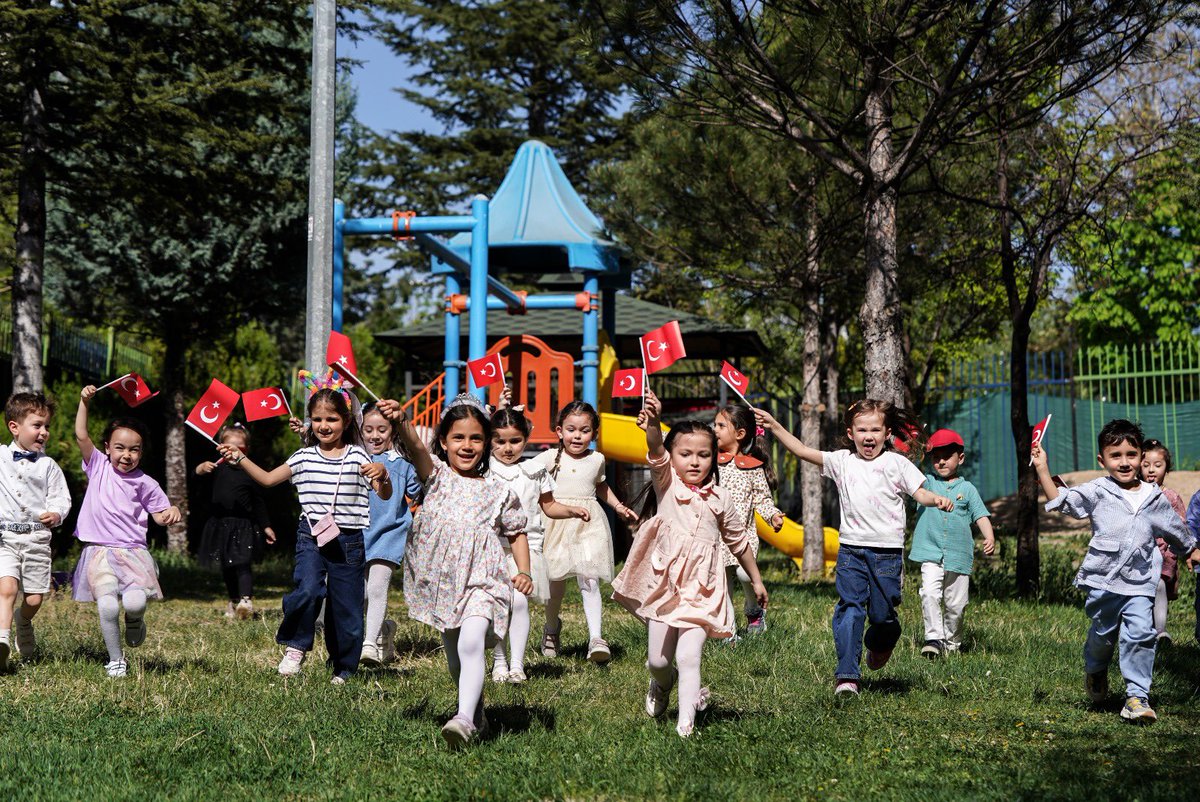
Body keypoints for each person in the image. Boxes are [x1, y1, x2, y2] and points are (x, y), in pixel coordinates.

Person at [755, 399, 953, 696]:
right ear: (851, 433)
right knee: (850, 609)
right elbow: (802, 451)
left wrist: (935, 500)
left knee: (884, 618)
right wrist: (775, 426)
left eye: (875, 429)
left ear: (887, 433)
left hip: (886, 555)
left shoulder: (898, 463)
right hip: (851, 552)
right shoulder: (842, 461)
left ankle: (882, 640)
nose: (868, 436)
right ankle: (847, 676)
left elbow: (920, 492)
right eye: (862, 430)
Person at [378, 394, 532, 749]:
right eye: (459, 438)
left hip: (484, 581)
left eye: (476, 438)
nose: (467, 446)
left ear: (488, 443)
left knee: (472, 640)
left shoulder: (498, 490)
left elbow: (516, 530)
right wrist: (402, 420)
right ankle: (476, 711)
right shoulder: (436, 475)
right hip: (444, 583)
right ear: (444, 442)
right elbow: (415, 445)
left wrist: (523, 570)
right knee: (456, 661)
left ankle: (462, 720)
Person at [613, 390, 768, 737]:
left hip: (703, 588)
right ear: (672, 456)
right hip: (665, 586)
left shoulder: (721, 498)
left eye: (703, 455)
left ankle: (686, 723)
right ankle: (661, 684)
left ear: (715, 457)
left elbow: (738, 542)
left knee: (689, 656)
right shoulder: (666, 484)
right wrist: (653, 424)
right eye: (685, 454)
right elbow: (654, 449)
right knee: (659, 661)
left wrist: (756, 581)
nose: (694, 462)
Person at [219, 374, 391, 684]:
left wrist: (383, 474)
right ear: (310, 421)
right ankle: (296, 646)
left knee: (346, 608)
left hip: (349, 540)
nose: (324, 425)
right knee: (308, 589)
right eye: (317, 419)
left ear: (346, 419)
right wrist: (241, 458)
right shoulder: (303, 457)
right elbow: (270, 479)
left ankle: (343, 667)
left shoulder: (357, 456)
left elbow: (383, 493)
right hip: (311, 536)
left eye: (332, 419)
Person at [1033, 420, 1199, 723]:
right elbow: (1063, 502)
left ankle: (1137, 697)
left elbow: (1175, 527)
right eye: (1116, 455)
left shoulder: (1153, 497)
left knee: (1141, 635)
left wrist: (1191, 549)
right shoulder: (1098, 490)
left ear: (1141, 457)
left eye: (1131, 454)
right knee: (1103, 636)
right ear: (1102, 460)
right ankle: (1095, 668)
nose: (1124, 462)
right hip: (1104, 581)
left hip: (1140, 582)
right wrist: (1042, 468)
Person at [73, 385, 182, 678]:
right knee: (107, 605)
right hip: (99, 553)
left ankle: (135, 620)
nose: (126, 455)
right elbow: (81, 435)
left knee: (134, 602)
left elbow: (160, 514)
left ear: (142, 452)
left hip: (132, 553)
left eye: (134, 449)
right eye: (119, 447)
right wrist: (85, 402)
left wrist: (171, 513)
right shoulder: (97, 466)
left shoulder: (146, 482)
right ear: (107, 447)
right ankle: (116, 659)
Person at [489, 396, 589, 683]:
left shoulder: (534, 470)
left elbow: (548, 505)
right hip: (493, 547)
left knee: (519, 602)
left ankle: (517, 665)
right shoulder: (485, 471)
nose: (508, 448)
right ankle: (499, 660)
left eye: (515, 441)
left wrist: (569, 510)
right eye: (500, 442)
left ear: (526, 438)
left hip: (527, 548)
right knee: (498, 604)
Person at [530, 401, 638, 665]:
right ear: (559, 431)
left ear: (594, 434)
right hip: (556, 523)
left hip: (589, 525)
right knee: (555, 585)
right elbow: (522, 473)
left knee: (589, 579)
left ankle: (596, 638)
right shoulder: (548, 459)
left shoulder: (597, 459)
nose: (577, 436)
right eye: (571, 429)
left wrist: (619, 506)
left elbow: (600, 487)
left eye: (584, 430)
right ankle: (552, 628)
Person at [907, 428, 995, 658]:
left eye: (947, 456)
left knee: (957, 605)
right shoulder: (926, 483)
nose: (941, 461)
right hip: (931, 551)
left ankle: (952, 644)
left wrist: (989, 536)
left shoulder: (968, 489)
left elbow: (980, 516)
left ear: (961, 458)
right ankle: (933, 639)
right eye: (936, 457)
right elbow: (908, 478)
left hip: (958, 555)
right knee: (929, 593)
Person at [0, 392, 71, 668]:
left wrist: (56, 513)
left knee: (33, 598)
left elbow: (61, 498)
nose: (44, 432)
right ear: (14, 427)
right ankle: (2, 640)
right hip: (5, 537)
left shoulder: (48, 466)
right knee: (6, 588)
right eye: (37, 425)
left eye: (47, 426)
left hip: (36, 540)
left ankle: (24, 619)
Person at [358, 403, 423, 666]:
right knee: (359, 595)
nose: (375, 435)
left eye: (382, 429)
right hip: (359, 534)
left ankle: (369, 644)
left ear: (392, 432)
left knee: (376, 588)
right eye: (368, 429)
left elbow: (417, 489)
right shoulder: (354, 458)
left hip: (390, 533)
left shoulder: (402, 464)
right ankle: (384, 630)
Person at [713, 403, 783, 636]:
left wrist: (772, 515)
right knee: (723, 584)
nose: (715, 429)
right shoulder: (710, 461)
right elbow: (681, 441)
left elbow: (762, 499)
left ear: (740, 434)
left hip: (744, 534)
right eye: (714, 425)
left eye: (721, 425)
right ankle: (728, 631)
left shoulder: (752, 468)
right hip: (716, 537)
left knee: (744, 573)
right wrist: (653, 427)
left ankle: (754, 610)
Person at [195, 423, 276, 620]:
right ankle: (233, 600)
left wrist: (266, 525)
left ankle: (246, 600)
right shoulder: (215, 469)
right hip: (220, 525)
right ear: (220, 447)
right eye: (229, 447)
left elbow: (258, 502)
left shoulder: (250, 472)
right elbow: (195, 481)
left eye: (240, 448)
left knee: (242, 563)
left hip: (243, 526)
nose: (234, 452)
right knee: (227, 565)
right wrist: (200, 469)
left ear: (246, 450)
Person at [1139, 439, 1186, 645]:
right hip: (1137, 557)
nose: (1151, 470)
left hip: (1163, 557)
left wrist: (1173, 556)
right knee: (1139, 598)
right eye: (1146, 464)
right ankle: (1141, 632)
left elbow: (1181, 529)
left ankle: (1160, 631)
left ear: (1167, 469)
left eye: (1158, 465)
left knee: (1157, 586)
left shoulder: (1171, 497)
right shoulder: (1134, 494)